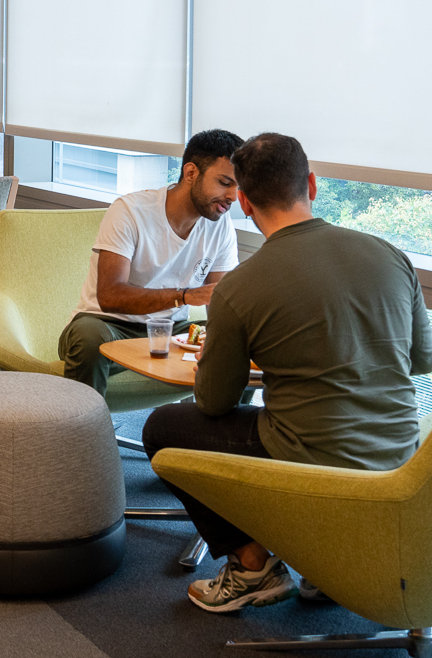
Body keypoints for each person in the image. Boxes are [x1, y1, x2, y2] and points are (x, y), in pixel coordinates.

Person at [143, 133, 432, 613]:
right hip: (403, 457)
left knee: (164, 426)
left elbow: (215, 403)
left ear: (247, 203)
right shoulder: (390, 255)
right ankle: (326, 566)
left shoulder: (239, 288)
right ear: (313, 185)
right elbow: (422, 359)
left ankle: (253, 567)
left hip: (313, 460)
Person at [58, 129, 244, 405]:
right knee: (88, 337)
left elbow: (220, 302)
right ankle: (77, 439)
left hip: (173, 331)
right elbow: (110, 296)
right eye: (225, 182)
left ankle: (220, 438)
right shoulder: (130, 211)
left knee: (243, 338)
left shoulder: (220, 225)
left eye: (239, 187)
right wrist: (184, 296)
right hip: (108, 326)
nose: (233, 196)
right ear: (191, 172)